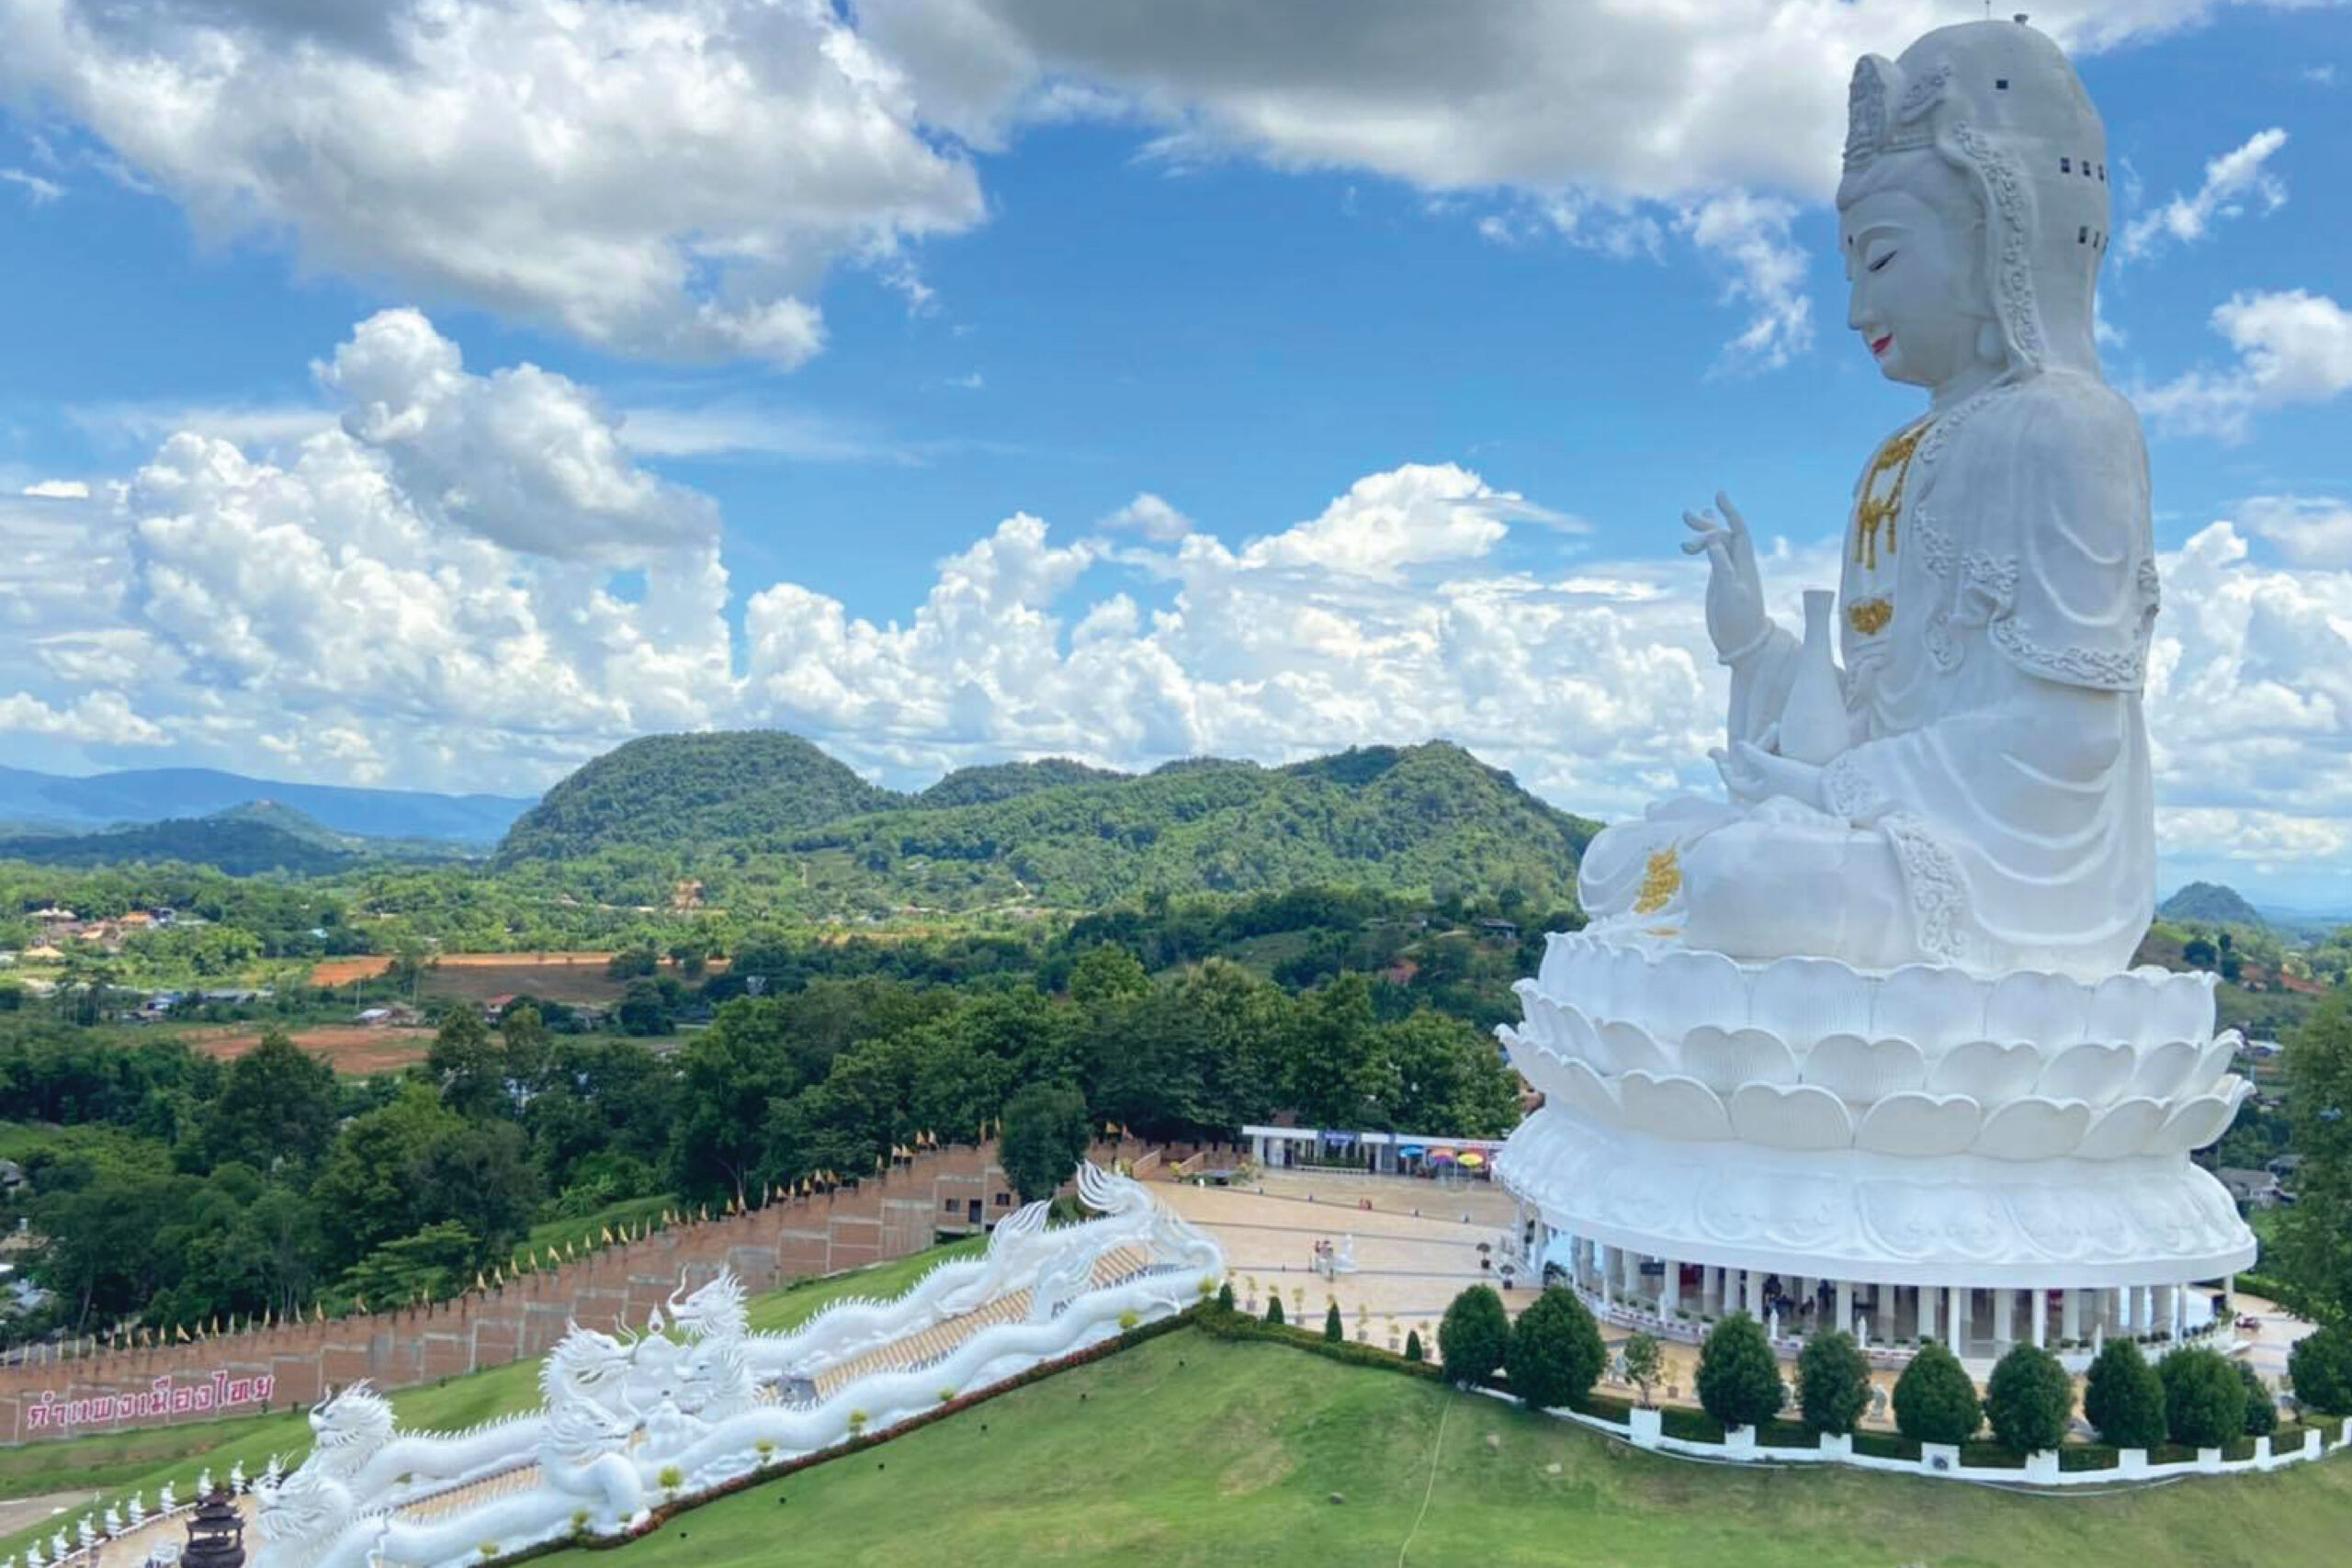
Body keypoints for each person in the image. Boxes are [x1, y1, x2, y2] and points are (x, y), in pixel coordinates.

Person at [1574, 17, 2155, 982]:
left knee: (1746, 879)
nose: (1855, 311)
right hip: (1876, 818)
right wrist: (1754, 646)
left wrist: (1829, 787)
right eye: (1849, 269)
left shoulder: (2068, 425)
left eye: (1880, 261)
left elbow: (2070, 738)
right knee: (1627, 856)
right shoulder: (1895, 455)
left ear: (1999, 237)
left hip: (2007, 866)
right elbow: (1871, 706)